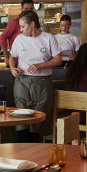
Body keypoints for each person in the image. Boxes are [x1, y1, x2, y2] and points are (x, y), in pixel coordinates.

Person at [9, 10, 62, 142]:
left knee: (38, 120)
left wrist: (40, 65)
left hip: (42, 83)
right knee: (21, 119)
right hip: (22, 82)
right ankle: (21, 151)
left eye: (23, 26)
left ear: (32, 24)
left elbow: (58, 59)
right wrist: (12, 68)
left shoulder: (48, 38)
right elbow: (12, 57)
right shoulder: (19, 39)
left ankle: (35, 152)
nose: (21, 30)